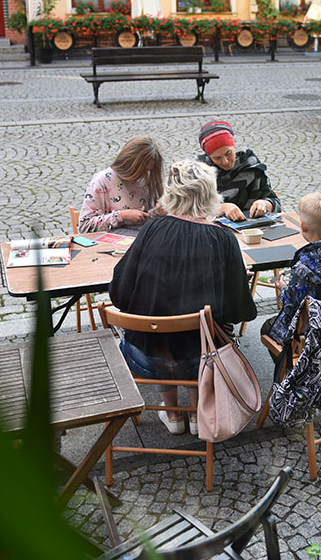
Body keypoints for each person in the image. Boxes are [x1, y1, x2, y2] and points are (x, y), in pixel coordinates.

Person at [110, 159, 257, 435]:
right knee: (196, 336)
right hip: (201, 360)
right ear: (211, 195)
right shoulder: (223, 239)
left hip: (145, 358)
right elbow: (240, 312)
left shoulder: (152, 229)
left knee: (161, 332)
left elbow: (119, 293)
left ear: (171, 195)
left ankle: (173, 413)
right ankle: (195, 413)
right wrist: (235, 277)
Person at [261, 192, 321, 345]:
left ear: (303, 226)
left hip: (311, 335)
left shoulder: (304, 268)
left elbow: (292, 304)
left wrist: (283, 288)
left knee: (267, 328)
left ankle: (290, 368)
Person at [197, 120, 281, 220]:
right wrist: (221, 207)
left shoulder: (250, 164)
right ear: (209, 156)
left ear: (233, 146)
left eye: (228, 153)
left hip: (252, 228)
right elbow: (189, 210)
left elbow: (275, 203)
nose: (225, 161)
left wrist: (264, 204)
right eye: (217, 158)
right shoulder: (200, 171)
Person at [79, 135, 164, 233]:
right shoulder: (102, 181)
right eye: (142, 170)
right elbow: (85, 226)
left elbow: (145, 216)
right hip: (115, 241)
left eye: (148, 171)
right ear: (130, 164)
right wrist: (122, 216)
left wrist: (156, 213)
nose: (144, 175)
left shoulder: (143, 180)